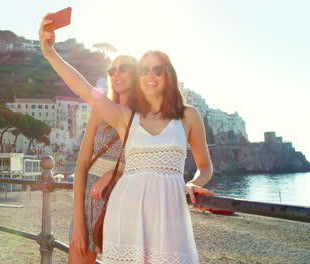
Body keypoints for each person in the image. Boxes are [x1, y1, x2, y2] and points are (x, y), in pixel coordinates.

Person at [39, 15, 215, 264]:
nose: (151, 75)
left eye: (158, 69)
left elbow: (205, 165)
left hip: (170, 214)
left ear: (169, 75)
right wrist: (50, 53)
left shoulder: (189, 115)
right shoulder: (126, 117)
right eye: (145, 70)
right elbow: (85, 89)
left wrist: (195, 183)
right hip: (126, 211)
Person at [68, 54, 138, 264]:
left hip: (125, 201)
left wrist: (116, 173)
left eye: (123, 68)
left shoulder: (145, 117)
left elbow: (149, 164)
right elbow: (81, 168)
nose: (116, 74)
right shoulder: (98, 111)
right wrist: (79, 223)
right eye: (111, 70)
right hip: (91, 200)